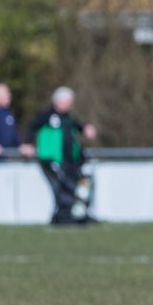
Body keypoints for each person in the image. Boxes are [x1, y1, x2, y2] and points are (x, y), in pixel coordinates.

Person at [20, 86, 98, 225]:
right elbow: (32, 127)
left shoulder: (67, 118)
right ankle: (63, 217)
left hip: (72, 161)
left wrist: (85, 128)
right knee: (65, 188)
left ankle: (81, 215)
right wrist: (28, 144)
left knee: (82, 186)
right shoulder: (47, 116)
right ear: (59, 101)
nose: (72, 104)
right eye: (69, 101)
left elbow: (77, 126)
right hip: (54, 160)